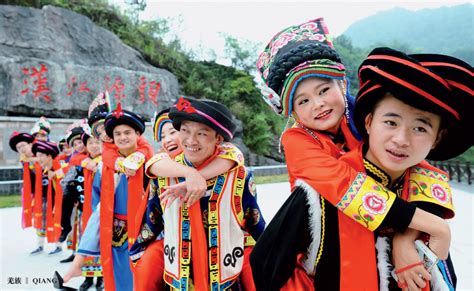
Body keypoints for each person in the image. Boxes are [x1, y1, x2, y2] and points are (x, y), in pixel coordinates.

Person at [250, 18, 463, 290]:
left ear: (342, 85)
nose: (319, 104)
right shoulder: (297, 140)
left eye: (324, 90)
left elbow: (419, 167)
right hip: (333, 223)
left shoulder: (361, 113)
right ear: (292, 113)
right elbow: (343, 185)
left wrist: (405, 238)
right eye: (303, 100)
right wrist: (432, 225)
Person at [143, 97, 265, 290]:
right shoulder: (164, 175)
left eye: (202, 133)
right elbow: (152, 222)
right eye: (184, 130)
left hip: (226, 273)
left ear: (218, 138)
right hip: (179, 275)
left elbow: (254, 221)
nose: (191, 140)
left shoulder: (239, 176)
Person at [63, 104, 152, 291]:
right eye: (117, 134)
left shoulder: (150, 164)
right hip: (116, 235)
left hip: (146, 234)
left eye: (127, 132)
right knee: (119, 280)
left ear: (138, 134)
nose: (122, 137)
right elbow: (99, 210)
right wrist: (79, 260)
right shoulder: (105, 168)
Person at [31, 140, 64, 255]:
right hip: (44, 199)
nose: (38, 159)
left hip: (60, 200)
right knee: (41, 221)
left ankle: (59, 245)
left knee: (60, 221)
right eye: (37, 156)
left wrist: (56, 174)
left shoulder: (59, 166)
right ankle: (40, 244)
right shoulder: (41, 168)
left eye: (41, 156)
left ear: (49, 156)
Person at [9, 132, 38, 229]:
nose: (22, 148)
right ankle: (40, 242)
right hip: (33, 189)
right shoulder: (23, 160)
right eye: (19, 147)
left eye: (23, 145)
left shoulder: (39, 153)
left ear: (30, 144)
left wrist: (31, 160)